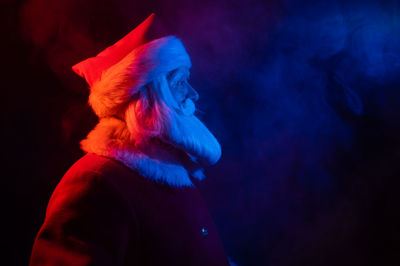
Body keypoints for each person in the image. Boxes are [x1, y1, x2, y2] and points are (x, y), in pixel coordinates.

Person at [30, 13, 230, 265]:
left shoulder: (170, 172)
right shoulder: (95, 182)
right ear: (149, 97)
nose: (194, 94)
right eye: (180, 82)